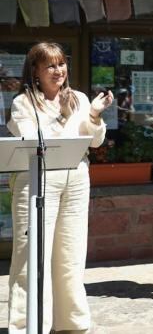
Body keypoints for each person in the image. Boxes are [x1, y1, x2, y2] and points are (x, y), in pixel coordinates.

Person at [5, 42, 112, 334]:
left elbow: (95, 141)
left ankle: (69, 323)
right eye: (50, 65)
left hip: (76, 178)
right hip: (37, 180)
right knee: (31, 255)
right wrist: (63, 115)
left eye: (61, 64)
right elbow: (35, 142)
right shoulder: (24, 103)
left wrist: (95, 115)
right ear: (35, 71)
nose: (58, 71)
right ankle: (27, 326)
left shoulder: (79, 97)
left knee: (70, 253)